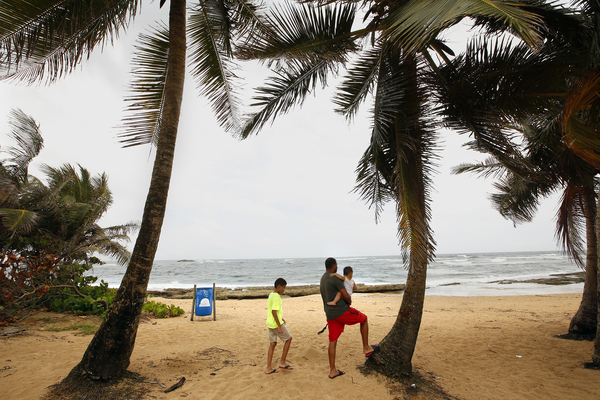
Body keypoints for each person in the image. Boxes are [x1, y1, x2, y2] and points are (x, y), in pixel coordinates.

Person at [320, 258, 378, 379]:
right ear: (334, 265)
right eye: (336, 265)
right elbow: (345, 294)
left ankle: (333, 370)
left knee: (332, 340)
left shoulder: (323, 278)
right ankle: (366, 348)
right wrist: (349, 301)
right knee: (364, 319)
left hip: (330, 314)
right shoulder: (335, 279)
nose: (337, 267)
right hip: (341, 311)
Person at [265, 277, 293, 374]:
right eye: (284, 288)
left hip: (270, 323)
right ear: (279, 286)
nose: (284, 290)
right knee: (288, 339)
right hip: (275, 324)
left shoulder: (271, 294)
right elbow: (274, 311)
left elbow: (274, 311)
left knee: (272, 344)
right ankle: (282, 362)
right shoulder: (276, 296)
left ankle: (268, 368)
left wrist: (281, 318)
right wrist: (279, 325)